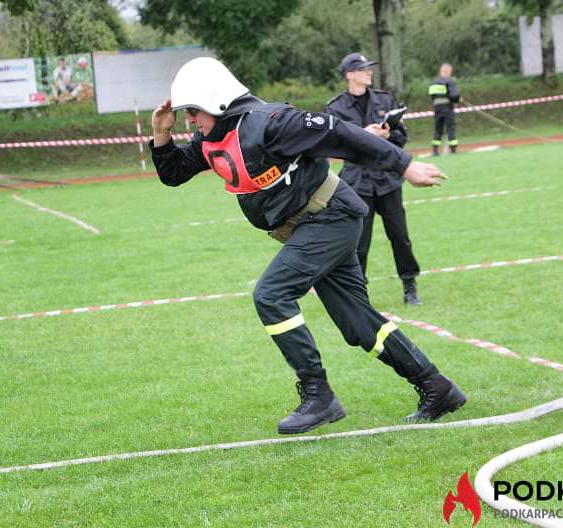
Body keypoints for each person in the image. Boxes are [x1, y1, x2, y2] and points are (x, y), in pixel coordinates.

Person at [150, 57, 466, 435]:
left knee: (270, 294)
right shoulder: (211, 137)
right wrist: (161, 134)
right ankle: (437, 387)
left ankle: (319, 395)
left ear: (217, 101)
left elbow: (342, 134)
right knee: (359, 324)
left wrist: (404, 166)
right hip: (313, 226)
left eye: (193, 112)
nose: (190, 121)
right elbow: (172, 173)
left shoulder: (273, 123)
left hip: (331, 217)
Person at [325, 52, 424, 306]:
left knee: (400, 236)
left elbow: (402, 138)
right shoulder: (335, 108)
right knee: (359, 242)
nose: (369, 72)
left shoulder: (384, 99)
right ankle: (358, 293)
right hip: (358, 183)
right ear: (349, 75)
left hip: (388, 180)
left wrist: (388, 136)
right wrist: (362, 134)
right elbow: (334, 145)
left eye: (369, 68)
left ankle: (409, 285)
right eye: (363, 69)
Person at [428, 63, 461, 156]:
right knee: (450, 127)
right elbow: (454, 95)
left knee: (438, 129)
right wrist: (458, 100)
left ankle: (435, 150)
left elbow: (432, 96)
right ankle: (453, 149)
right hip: (447, 108)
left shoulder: (433, 83)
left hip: (437, 108)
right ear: (447, 71)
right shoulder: (449, 82)